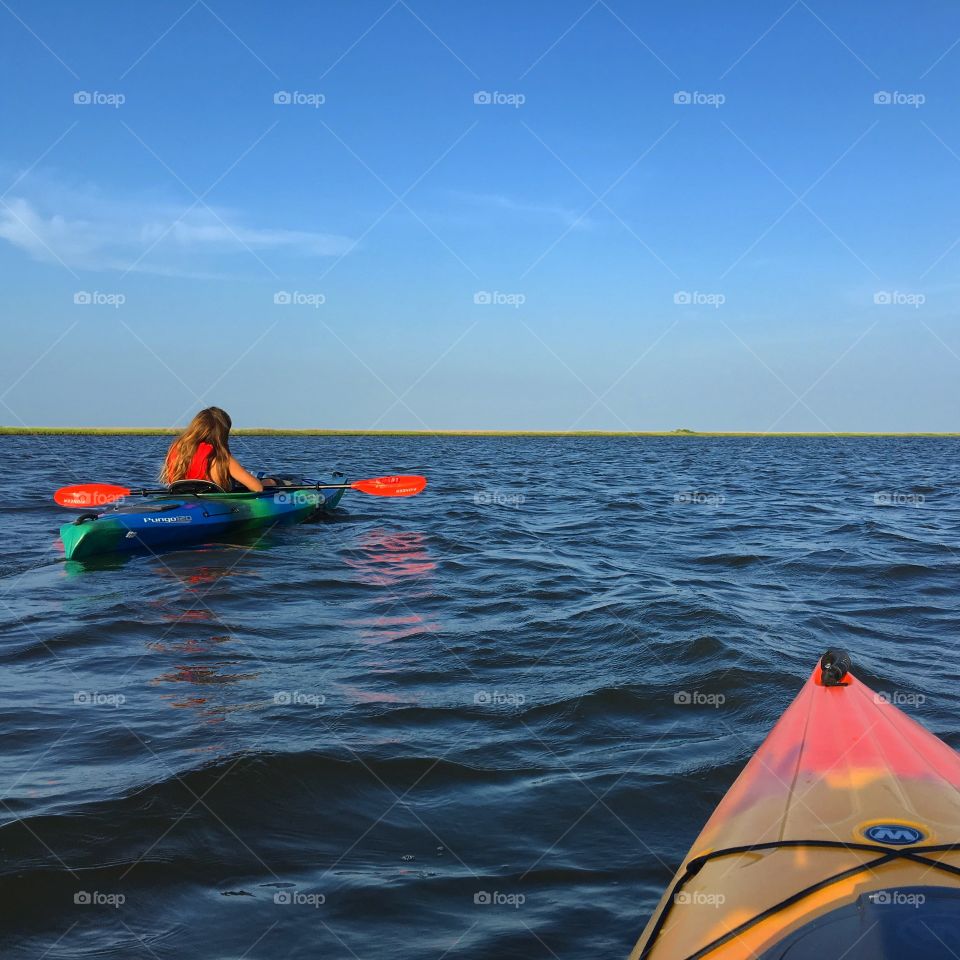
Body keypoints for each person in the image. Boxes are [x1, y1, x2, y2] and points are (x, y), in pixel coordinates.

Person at [161, 407, 265, 492]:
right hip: (214, 506)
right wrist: (267, 483)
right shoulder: (222, 457)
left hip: (184, 499)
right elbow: (258, 488)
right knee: (268, 481)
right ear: (222, 433)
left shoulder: (177, 449)